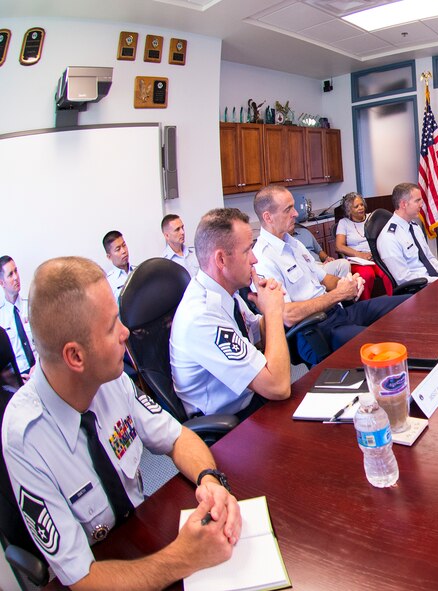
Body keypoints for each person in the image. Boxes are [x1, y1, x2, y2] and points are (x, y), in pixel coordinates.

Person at [1, 256, 242, 590]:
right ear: (75, 356)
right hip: (101, 569)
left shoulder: (110, 380)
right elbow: (83, 579)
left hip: (142, 533)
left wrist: (209, 480)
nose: (126, 332)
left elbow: (177, 438)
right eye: (112, 324)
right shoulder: (25, 436)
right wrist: (184, 558)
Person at [252, 185, 409, 366]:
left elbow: (325, 279)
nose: (295, 213)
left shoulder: (293, 243)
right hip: (316, 330)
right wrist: (338, 295)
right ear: (268, 217)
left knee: (407, 303)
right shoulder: (263, 258)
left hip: (338, 313)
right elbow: (287, 315)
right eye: (288, 209)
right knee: (382, 344)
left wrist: (348, 283)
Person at [170, 208, 291, 418]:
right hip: (230, 423)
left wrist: (268, 306)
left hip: (252, 399)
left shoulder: (227, 294)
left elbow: (257, 332)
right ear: (221, 260)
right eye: (247, 251)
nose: (254, 259)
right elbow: (278, 387)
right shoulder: (201, 316)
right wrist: (273, 311)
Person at [376, 182, 438, 284]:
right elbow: (403, 278)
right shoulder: (389, 238)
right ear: (403, 204)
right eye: (417, 201)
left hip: (433, 281)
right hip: (419, 287)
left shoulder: (414, 227)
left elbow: (429, 258)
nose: (421, 204)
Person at [334, 192, 393, 298]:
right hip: (357, 260)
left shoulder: (372, 218)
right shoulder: (344, 223)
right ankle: (366, 304)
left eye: (361, 204)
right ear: (349, 210)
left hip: (375, 256)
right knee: (367, 275)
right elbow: (339, 246)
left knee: (388, 271)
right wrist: (360, 255)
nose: (361, 208)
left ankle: (394, 299)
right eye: (356, 206)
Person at [0, 256, 36, 380]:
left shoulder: (32, 305)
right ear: (1, 283)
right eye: (10, 274)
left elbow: (47, 342)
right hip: (19, 378)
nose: (16, 277)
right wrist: (17, 379)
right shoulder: (1, 319)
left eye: (16, 271)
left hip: (40, 369)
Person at [102, 230, 134, 297]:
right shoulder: (108, 283)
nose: (123, 251)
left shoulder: (139, 271)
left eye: (124, 245)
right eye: (118, 249)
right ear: (109, 257)